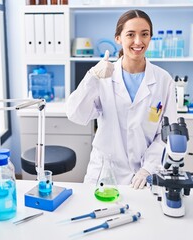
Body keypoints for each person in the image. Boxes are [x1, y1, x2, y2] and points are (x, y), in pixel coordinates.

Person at [66, 9, 177, 189]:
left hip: (143, 176)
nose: (138, 41)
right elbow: (76, 114)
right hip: (105, 172)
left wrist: (148, 168)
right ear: (118, 38)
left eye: (144, 34)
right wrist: (92, 76)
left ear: (151, 38)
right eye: (130, 34)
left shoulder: (163, 80)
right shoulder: (103, 76)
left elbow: (167, 133)